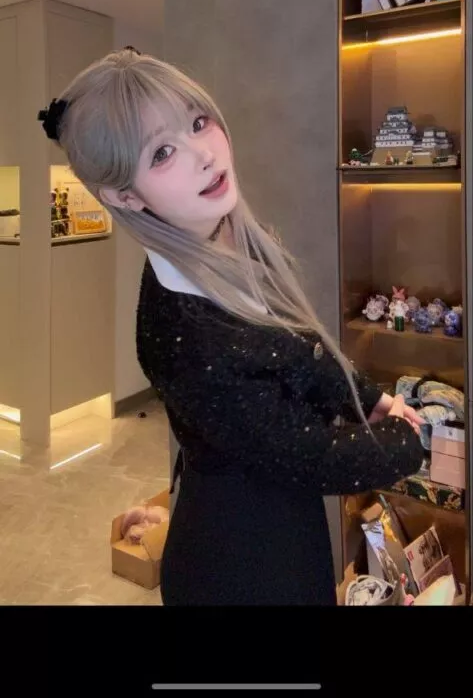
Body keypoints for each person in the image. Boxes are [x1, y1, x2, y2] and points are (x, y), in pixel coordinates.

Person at [38, 47, 423, 606]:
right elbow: (309, 455)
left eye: (198, 122)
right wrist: (411, 441)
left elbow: (300, 350)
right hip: (241, 565)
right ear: (125, 196)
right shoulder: (188, 336)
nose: (204, 153)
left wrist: (371, 399)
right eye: (163, 152)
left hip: (283, 525)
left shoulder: (224, 236)